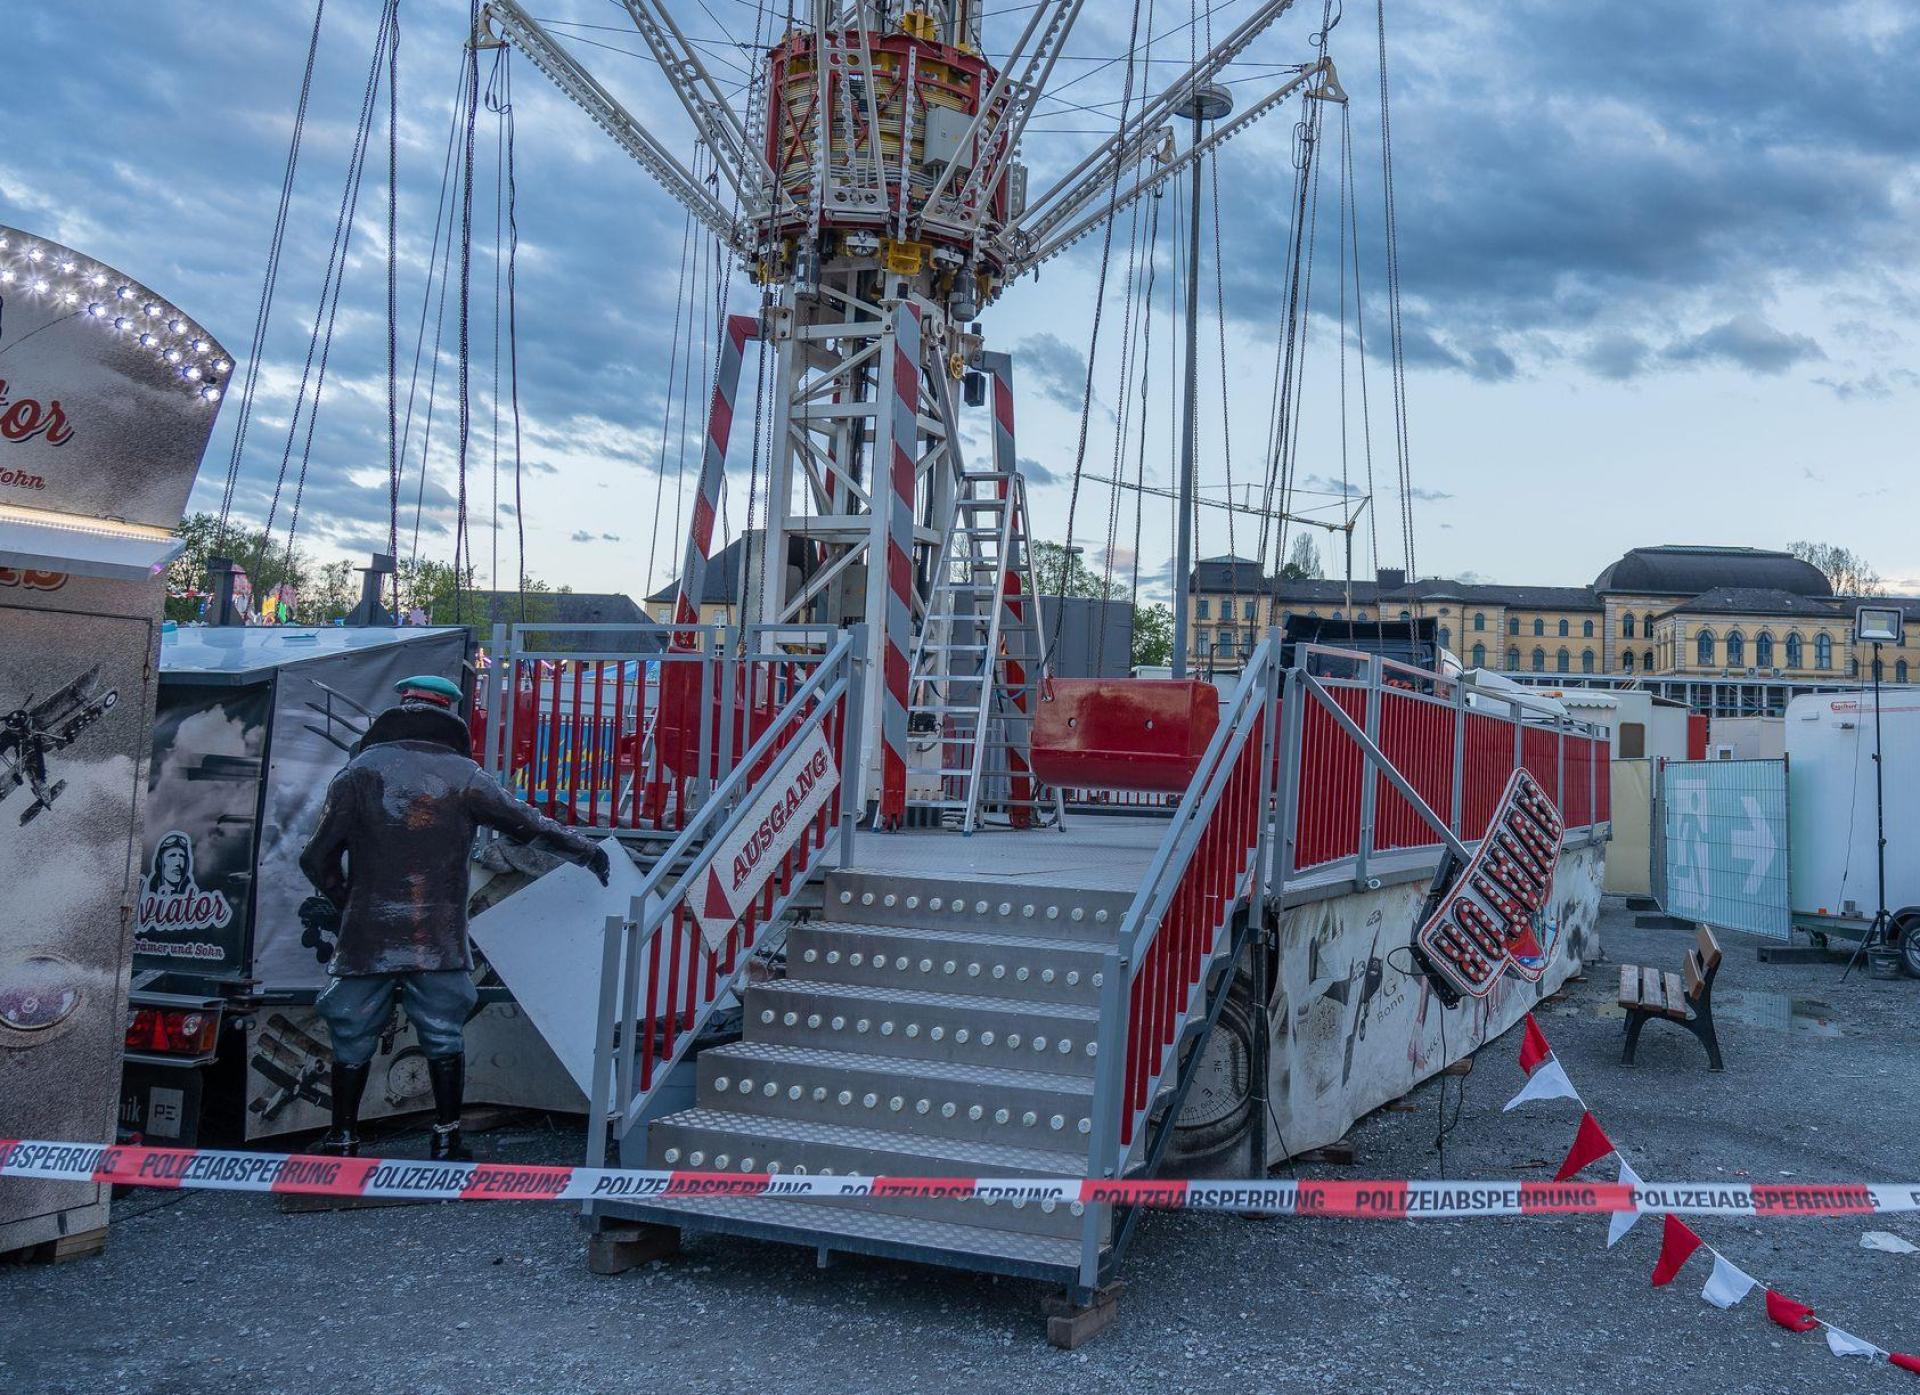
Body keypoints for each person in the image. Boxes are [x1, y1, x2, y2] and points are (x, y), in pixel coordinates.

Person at [299, 674, 611, 1160]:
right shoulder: (465, 776)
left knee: (350, 1032)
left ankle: (342, 1140)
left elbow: (315, 861)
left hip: (366, 939)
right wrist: (585, 850)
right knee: (443, 1033)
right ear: (450, 712)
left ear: (401, 707)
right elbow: (528, 825)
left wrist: (350, 907)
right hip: (437, 939)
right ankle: (446, 1141)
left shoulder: (357, 773)